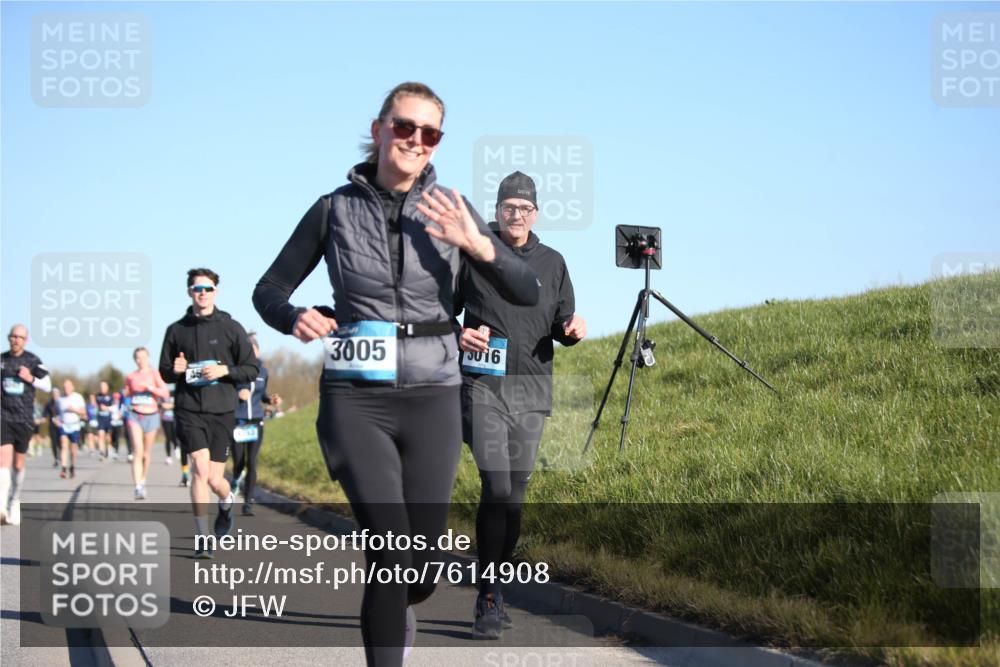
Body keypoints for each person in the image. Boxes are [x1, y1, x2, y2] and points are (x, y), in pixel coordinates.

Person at [252, 82, 539, 666]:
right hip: (357, 398)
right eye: (404, 127)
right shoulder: (333, 208)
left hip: (434, 395)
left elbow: (527, 289)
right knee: (390, 555)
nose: (415, 140)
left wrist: (477, 246)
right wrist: (293, 316)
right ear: (380, 128)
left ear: (437, 144)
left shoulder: (454, 211)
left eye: (428, 133)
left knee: (423, 565)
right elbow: (268, 290)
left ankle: (397, 607)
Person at [454, 171, 587, 638]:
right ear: (496, 211)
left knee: (513, 498)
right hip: (482, 386)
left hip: (532, 389)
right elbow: (435, 308)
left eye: (524, 208)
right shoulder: (472, 254)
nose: (516, 215)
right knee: (496, 484)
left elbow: (560, 319)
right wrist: (458, 334)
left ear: (536, 213)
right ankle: (488, 596)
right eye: (508, 207)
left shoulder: (553, 262)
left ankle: (496, 586)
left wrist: (572, 329)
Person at [159, 268, 258, 558]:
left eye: (207, 288)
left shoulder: (231, 327)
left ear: (216, 291)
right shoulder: (176, 330)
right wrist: (173, 371)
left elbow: (251, 368)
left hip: (222, 409)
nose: (202, 293)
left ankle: (226, 502)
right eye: (197, 288)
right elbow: (165, 371)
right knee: (199, 470)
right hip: (189, 408)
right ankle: (203, 537)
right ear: (189, 292)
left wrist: (225, 370)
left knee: (215, 479)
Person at [1, 325, 52, 525]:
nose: (16, 340)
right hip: (3, 415)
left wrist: (30, 378)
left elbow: (48, 385)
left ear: (26, 340)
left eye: (20, 337)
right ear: (8, 338)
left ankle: (14, 500)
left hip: (23, 418)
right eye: (13, 336)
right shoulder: (2, 360)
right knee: (2, 460)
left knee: (18, 464)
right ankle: (2, 505)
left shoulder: (33, 361)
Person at [232, 334, 280, 516]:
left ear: (258, 351)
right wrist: (237, 394)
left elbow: (262, 394)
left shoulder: (263, 372)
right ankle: (235, 481)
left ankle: (248, 502)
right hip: (238, 421)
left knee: (251, 462)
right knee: (238, 463)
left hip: (256, 422)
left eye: (254, 350)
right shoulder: (235, 370)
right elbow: (225, 393)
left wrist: (271, 399)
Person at [124, 347, 170, 499]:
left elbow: (165, 393)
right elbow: (127, 393)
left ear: (148, 358)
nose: (140, 360)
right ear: (134, 359)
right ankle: (137, 486)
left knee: (145, 453)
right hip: (135, 415)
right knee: (137, 450)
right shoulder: (131, 376)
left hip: (151, 415)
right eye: (137, 357)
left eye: (143, 357)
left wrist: (151, 388)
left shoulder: (154, 374)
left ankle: (143, 479)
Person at [56, 379, 87, 479]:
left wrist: (75, 410)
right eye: (65, 387)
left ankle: (72, 467)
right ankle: (64, 468)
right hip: (64, 425)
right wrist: (56, 420)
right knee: (64, 445)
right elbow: (56, 413)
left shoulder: (78, 397)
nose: (66, 389)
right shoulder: (60, 400)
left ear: (72, 387)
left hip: (74, 425)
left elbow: (83, 413)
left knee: (73, 449)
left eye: (68, 387)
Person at [159, 385, 179, 467]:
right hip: (165, 419)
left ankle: (176, 448)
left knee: (175, 436)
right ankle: (168, 457)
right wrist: (170, 406)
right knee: (168, 437)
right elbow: (162, 405)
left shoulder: (175, 394)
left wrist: (169, 406)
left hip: (175, 419)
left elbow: (177, 404)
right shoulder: (162, 397)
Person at [95, 381, 116, 459]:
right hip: (100, 419)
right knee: (100, 435)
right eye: (101, 387)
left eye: (104, 387)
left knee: (108, 436)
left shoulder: (110, 396)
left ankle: (109, 449)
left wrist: (106, 408)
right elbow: (94, 407)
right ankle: (101, 452)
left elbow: (114, 408)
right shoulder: (97, 396)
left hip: (108, 419)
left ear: (107, 387)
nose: (102, 388)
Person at [44, 387, 62, 467]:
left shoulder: (62, 402)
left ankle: (61, 455)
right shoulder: (49, 404)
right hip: (52, 425)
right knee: (54, 442)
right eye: (53, 394)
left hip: (61, 425)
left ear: (59, 394)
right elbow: (44, 414)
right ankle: (56, 459)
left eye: (56, 394)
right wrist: (42, 419)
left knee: (61, 442)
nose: (55, 395)